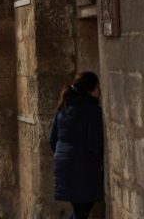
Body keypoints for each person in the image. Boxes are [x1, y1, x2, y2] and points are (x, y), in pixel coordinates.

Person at [50, 72, 104, 219]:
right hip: (81, 167)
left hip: (65, 166)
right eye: (98, 87)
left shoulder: (63, 107)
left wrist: (64, 156)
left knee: (81, 210)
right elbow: (95, 143)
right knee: (83, 209)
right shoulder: (91, 111)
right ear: (91, 89)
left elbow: (52, 139)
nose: (100, 91)